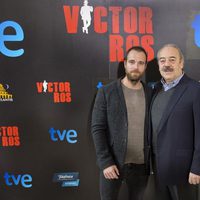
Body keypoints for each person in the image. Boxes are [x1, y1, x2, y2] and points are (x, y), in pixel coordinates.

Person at [91, 46, 152, 200]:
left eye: (140, 63)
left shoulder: (151, 93)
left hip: (141, 166)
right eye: (132, 62)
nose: (135, 67)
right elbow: (98, 128)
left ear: (145, 66)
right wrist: (105, 162)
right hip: (113, 164)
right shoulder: (106, 92)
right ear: (125, 64)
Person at [150, 44, 200, 200]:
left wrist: (197, 168)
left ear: (181, 63)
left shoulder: (195, 90)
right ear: (158, 65)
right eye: (162, 60)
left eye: (172, 60)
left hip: (184, 171)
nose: (167, 64)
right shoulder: (155, 90)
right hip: (158, 169)